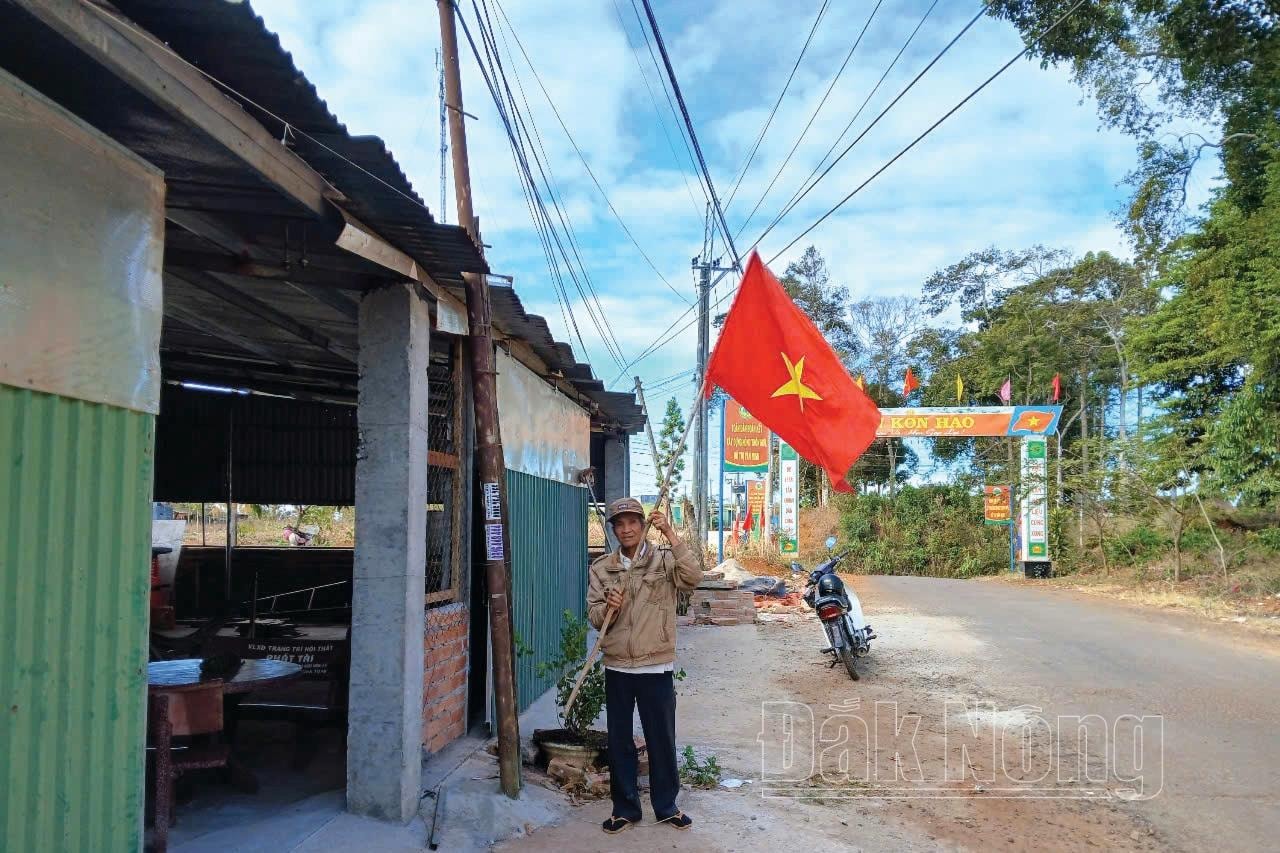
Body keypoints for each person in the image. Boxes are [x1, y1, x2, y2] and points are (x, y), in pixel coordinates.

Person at [587, 497, 702, 835]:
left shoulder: (664, 562)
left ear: (642, 524)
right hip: (618, 667)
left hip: (656, 667)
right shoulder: (602, 569)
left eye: (632, 522)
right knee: (619, 741)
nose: (627, 529)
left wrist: (671, 533)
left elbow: (693, 576)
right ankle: (624, 809)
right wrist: (610, 607)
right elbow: (595, 618)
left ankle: (666, 806)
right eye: (619, 524)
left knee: (661, 739)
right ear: (613, 530)